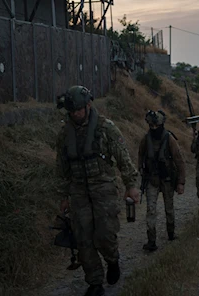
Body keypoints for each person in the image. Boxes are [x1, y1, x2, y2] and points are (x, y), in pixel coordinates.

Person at [56, 85, 140, 296]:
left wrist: (131, 186)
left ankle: (112, 259)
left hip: (103, 186)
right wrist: (63, 196)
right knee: (83, 237)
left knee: (104, 233)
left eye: (79, 110)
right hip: (78, 189)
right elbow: (61, 167)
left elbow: (123, 158)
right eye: (72, 111)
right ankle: (95, 282)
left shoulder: (106, 128)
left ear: (88, 105)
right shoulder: (65, 133)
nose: (76, 114)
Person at [138, 110, 186, 252]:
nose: (153, 128)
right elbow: (141, 155)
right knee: (151, 210)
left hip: (167, 179)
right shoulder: (146, 139)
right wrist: (140, 169)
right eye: (151, 126)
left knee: (169, 208)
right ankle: (151, 240)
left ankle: (171, 233)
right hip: (151, 179)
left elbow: (179, 161)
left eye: (155, 126)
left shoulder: (169, 139)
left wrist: (181, 182)